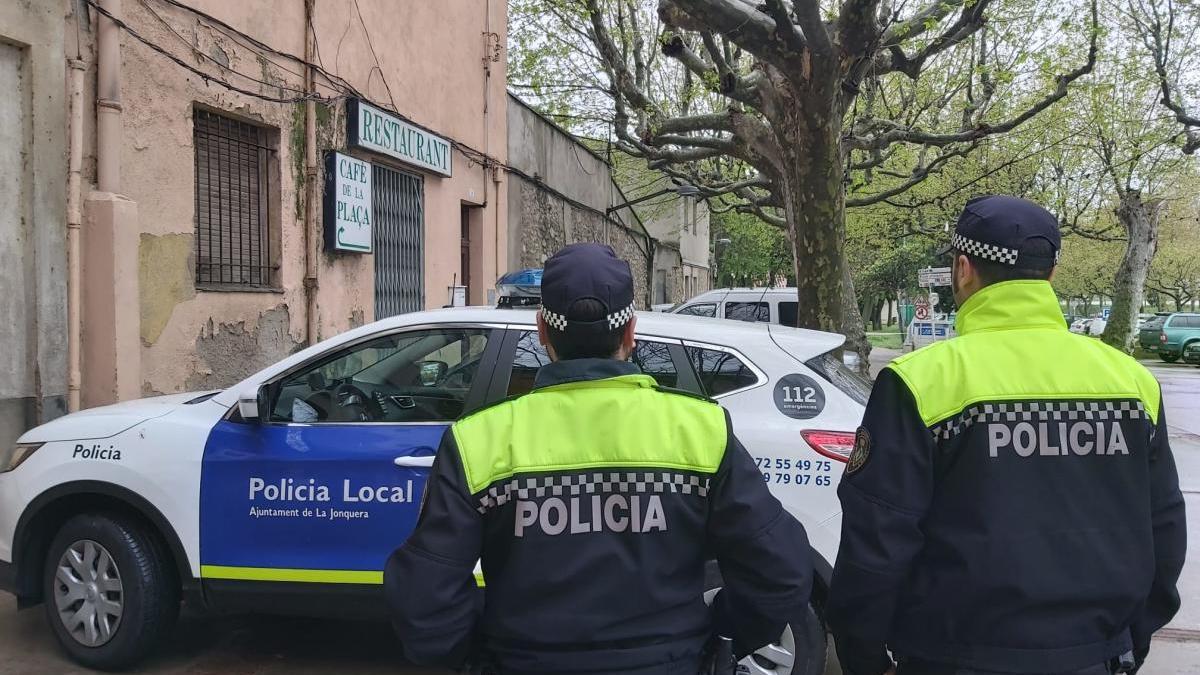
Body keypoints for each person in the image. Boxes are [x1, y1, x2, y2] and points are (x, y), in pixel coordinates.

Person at [385, 243, 813, 675]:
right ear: (630, 331)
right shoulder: (702, 430)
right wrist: (718, 631)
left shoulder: (478, 440)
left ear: (542, 331)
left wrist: (478, 656)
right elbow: (780, 575)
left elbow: (424, 597)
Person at [827, 195, 1187, 675]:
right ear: (1051, 276)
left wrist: (864, 656)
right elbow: (1164, 530)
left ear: (962, 269)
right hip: (1094, 655)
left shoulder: (922, 381)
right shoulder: (1133, 382)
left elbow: (876, 541)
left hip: (953, 658)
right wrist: (1126, 643)